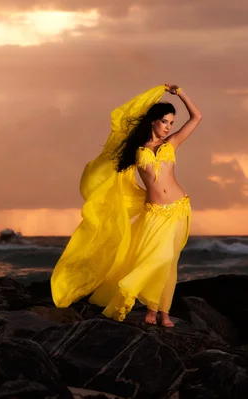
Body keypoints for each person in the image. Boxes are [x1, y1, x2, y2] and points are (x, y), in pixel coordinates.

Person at [50, 84, 203, 326]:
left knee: (169, 261)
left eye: (171, 123)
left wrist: (180, 92)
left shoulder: (171, 144)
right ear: (152, 121)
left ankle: (160, 313)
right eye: (164, 121)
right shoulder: (135, 150)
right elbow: (111, 172)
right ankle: (130, 293)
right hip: (154, 212)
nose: (168, 127)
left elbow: (197, 117)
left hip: (180, 208)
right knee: (155, 258)